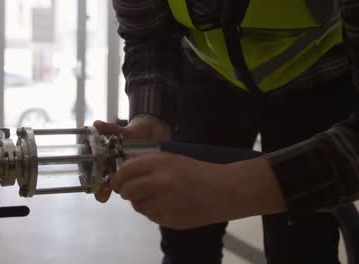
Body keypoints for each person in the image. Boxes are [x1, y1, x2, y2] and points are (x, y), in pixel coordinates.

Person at [94, 0, 359, 263]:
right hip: (211, 70)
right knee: (186, 244)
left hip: (317, 77)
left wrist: (235, 189)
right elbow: (148, 34)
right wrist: (150, 116)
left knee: (301, 245)